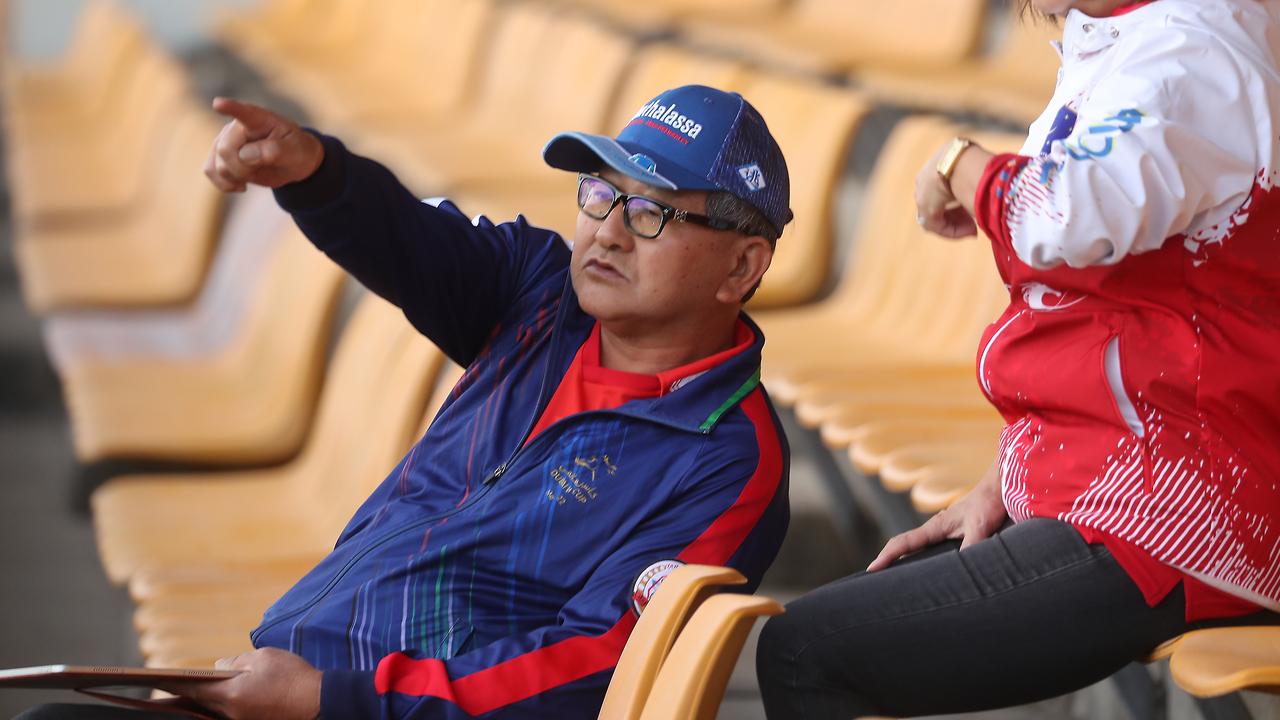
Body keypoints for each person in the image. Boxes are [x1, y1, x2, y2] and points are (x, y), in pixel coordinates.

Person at [18, 84, 792, 719]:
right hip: (301, 678)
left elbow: (600, 665)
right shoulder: (538, 292)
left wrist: (337, 702)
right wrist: (313, 170)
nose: (609, 233)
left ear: (740, 267)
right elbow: (411, 242)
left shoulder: (727, 457)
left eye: (651, 211)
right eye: (600, 194)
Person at [756, 0, 1280, 717]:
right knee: (826, 627)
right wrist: (1012, 476)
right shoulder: (1144, 41)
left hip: (1178, 515)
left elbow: (1063, 215)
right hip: (1123, 483)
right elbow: (1100, 311)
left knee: (807, 649)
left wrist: (957, 164)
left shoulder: (1190, 52)